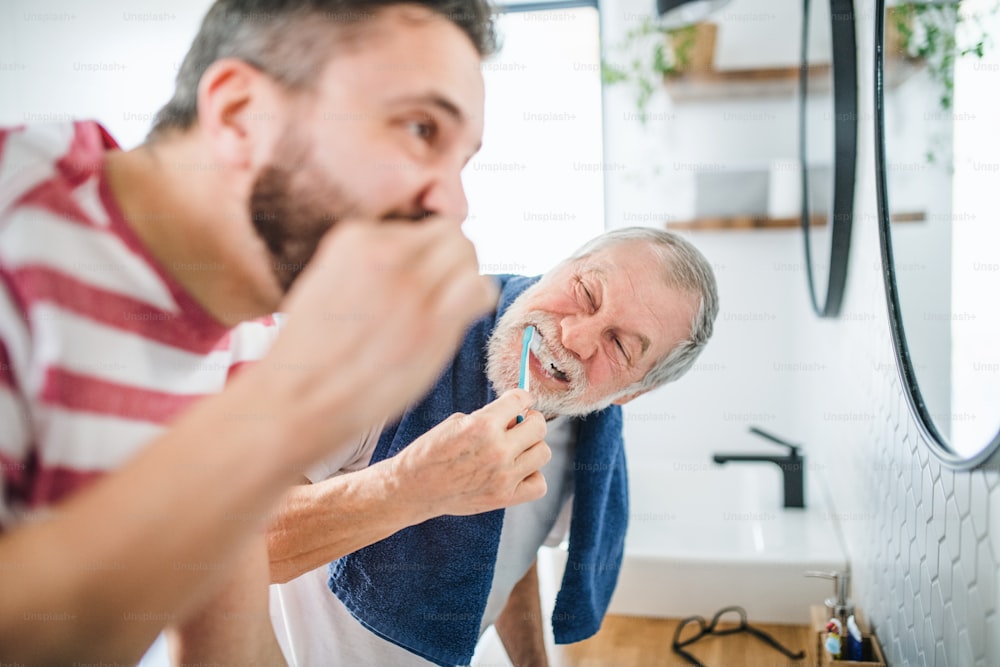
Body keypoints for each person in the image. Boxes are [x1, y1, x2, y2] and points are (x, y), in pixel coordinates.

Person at [0, 1, 554, 663]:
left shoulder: (253, 330)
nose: (454, 206)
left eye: (462, 160)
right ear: (239, 114)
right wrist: (295, 410)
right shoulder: (17, 214)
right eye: (419, 127)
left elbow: (225, 634)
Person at [263, 227, 720, 666]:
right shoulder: (389, 343)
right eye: (586, 292)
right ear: (560, 265)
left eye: (618, 344)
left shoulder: (587, 438)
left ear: (630, 394)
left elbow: (500, 555)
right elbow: (237, 548)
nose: (574, 338)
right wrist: (414, 487)